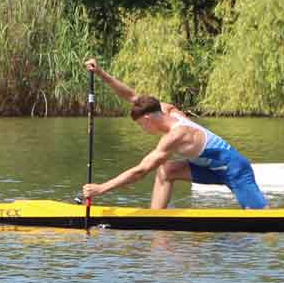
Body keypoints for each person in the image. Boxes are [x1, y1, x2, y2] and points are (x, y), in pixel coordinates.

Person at [80, 59, 268, 209]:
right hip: (211, 169)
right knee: (167, 170)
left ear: (147, 119)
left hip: (235, 170)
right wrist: (101, 73)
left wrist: (101, 188)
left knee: (261, 218)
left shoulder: (176, 136)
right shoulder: (166, 110)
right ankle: (155, 221)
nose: (143, 130)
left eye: (141, 126)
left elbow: (141, 171)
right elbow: (133, 97)